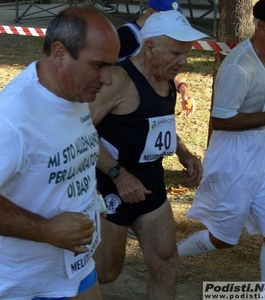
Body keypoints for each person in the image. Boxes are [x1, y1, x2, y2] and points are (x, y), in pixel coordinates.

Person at [0, 6, 120, 300]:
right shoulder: (13, 116)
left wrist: (90, 199)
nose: (108, 79)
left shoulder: (73, 92)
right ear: (60, 53)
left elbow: (69, 157)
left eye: (111, 66)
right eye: (98, 65)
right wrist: (50, 231)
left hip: (71, 266)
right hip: (14, 283)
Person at [89, 10, 205, 299]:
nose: (184, 62)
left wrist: (184, 154)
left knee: (166, 263)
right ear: (150, 47)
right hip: (109, 186)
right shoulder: (119, 79)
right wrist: (118, 174)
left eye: (187, 54)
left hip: (150, 184)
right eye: (177, 53)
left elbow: (159, 125)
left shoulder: (165, 79)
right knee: (105, 272)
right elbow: (77, 131)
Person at [177, 0, 265, 283]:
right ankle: (170, 257)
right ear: (262, 26)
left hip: (264, 156)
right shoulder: (239, 66)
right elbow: (219, 121)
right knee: (223, 239)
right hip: (235, 159)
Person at [118, 0, 196, 118]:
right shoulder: (124, 36)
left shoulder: (168, 37)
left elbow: (163, 66)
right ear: (150, 12)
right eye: (165, 16)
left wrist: (181, 86)